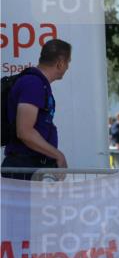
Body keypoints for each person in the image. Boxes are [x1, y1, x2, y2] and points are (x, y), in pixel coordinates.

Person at [2, 38, 72, 177]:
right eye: (68, 62)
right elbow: (24, 131)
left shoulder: (38, 83)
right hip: (24, 167)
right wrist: (58, 155)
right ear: (60, 63)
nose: (68, 67)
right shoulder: (33, 84)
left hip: (31, 165)